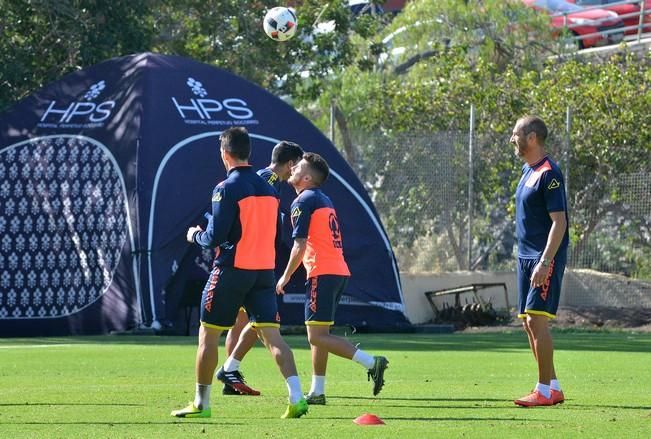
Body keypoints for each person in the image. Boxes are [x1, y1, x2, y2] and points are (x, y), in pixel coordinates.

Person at [171, 127, 308, 419]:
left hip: (232, 270)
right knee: (274, 337)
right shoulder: (270, 190)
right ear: (249, 153)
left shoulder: (226, 188)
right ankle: (297, 397)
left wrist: (194, 235)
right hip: (263, 273)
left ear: (224, 154)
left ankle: (201, 403)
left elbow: (215, 236)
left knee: (207, 336)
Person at [276, 152, 389, 405]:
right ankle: (317, 391)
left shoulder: (302, 201)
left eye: (298, 167)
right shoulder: (322, 198)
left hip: (322, 272)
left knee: (316, 336)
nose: (292, 168)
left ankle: (373, 362)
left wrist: (284, 277)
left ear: (306, 178)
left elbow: (299, 245)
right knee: (320, 334)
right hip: (337, 271)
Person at [217, 141, 304, 396]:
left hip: (255, 259)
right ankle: (228, 375)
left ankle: (229, 374)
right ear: (290, 164)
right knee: (248, 323)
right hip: (252, 261)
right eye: (296, 165)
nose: (296, 172)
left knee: (243, 322)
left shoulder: (268, 180)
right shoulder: (267, 179)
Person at [509, 116, 569, 407]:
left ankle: (543, 391)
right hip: (524, 256)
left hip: (543, 257)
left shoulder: (550, 173)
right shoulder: (526, 170)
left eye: (515, 134)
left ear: (531, 137)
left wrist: (545, 261)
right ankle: (553, 386)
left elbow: (560, 222)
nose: (512, 139)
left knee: (536, 320)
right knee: (528, 324)